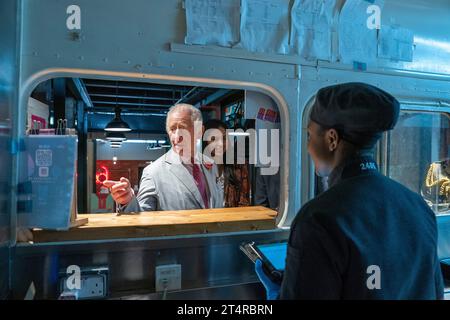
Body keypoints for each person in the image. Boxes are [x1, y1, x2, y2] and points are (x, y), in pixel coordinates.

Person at [255, 82, 444, 299]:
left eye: (309, 136)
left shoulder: (318, 219)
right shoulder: (419, 208)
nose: (308, 147)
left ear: (331, 139)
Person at [104, 104, 223, 212]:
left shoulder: (210, 165)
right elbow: (142, 217)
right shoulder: (153, 172)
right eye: (172, 129)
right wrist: (128, 201)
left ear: (199, 131)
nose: (176, 137)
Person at [203, 119, 250, 207]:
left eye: (224, 138)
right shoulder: (199, 168)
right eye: (214, 139)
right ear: (205, 141)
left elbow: (244, 203)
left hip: (231, 219)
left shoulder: (239, 166)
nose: (220, 143)